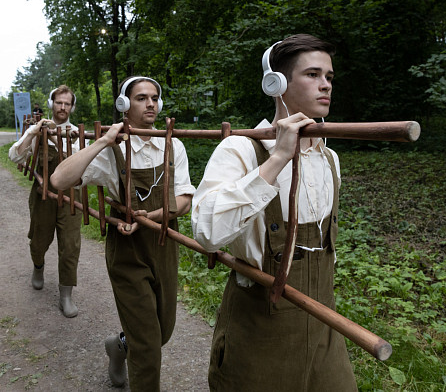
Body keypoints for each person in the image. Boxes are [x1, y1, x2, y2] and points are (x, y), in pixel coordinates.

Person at [192, 34, 357, 391]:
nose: (326, 84)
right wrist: (279, 157)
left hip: (323, 323)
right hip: (260, 328)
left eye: (329, 76)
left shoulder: (330, 159)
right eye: (312, 74)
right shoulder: (241, 149)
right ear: (276, 84)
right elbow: (206, 233)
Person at [50, 76, 196, 391]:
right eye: (142, 98)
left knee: (162, 332)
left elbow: (184, 199)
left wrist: (152, 217)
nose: (151, 104)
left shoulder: (174, 144)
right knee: (147, 346)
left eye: (155, 98)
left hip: (163, 244)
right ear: (124, 105)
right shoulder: (112, 149)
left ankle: (118, 347)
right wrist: (102, 141)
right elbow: (59, 180)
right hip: (127, 251)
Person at [8, 85, 84, 318]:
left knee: (70, 245)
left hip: (72, 196)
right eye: (59, 102)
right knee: (39, 239)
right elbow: (15, 156)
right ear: (52, 104)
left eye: (67, 103)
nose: (63, 107)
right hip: (43, 195)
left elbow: (87, 170)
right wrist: (33, 132)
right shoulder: (40, 131)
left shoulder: (80, 134)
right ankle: (38, 266)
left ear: (72, 107)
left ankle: (66, 296)